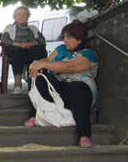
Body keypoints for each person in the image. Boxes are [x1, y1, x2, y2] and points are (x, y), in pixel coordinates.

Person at [26, 20, 98, 148]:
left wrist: (44, 64)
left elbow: (70, 67)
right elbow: (46, 61)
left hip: (80, 90)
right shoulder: (60, 50)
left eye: (69, 37)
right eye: (64, 37)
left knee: (78, 88)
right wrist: (36, 66)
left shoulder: (88, 54)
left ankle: (84, 135)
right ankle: (34, 116)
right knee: (40, 77)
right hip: (59, 90)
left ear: (79, 39)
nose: (65, 40)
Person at [1, 5, 47, 94]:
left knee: (39, 50)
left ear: (28, 16)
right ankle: (18, 84)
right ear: (14, 17)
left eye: (24, 14)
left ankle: (36, 83)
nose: (21, 17)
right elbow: (4, 40)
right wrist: (18, 44)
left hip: (31, 49)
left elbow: (42, 40)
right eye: (19, 14)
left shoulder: (33, 28)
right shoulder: (9, 27)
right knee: (17, 51)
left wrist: (32, 43)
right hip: (15, 49)